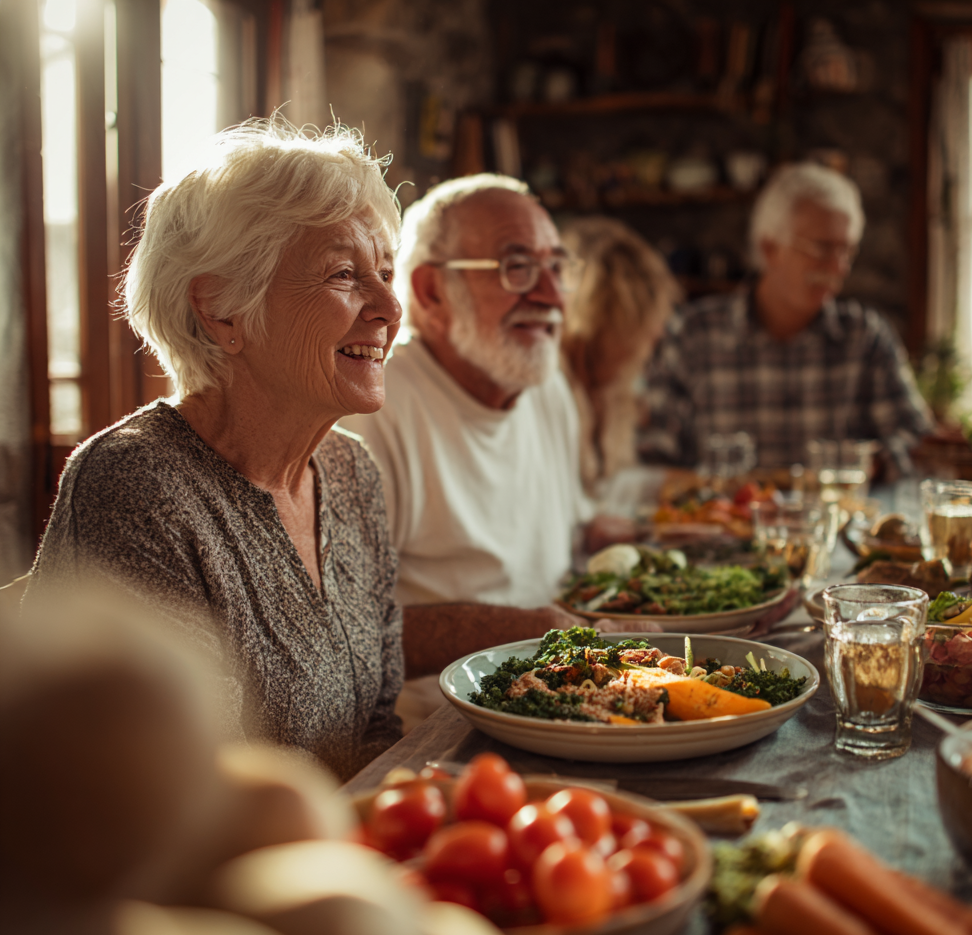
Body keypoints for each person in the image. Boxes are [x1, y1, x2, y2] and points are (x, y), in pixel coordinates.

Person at [25, 119, 404, 781]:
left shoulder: (349, 470)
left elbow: (377, 723)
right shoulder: (136, 484)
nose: (388, 306)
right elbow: (180, 790)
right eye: (346, 274)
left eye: (387, 272)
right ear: (223, 310)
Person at [343, 175, 641, 709]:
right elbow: (343, 635)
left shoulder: (546, 383)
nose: (552, 296)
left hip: (564, 696)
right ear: (432, 291)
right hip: (443, 729)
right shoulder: (373, 407)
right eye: (518, 267)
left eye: (556, 267)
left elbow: (566, 537)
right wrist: (532, 629)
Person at [638, 162, 933, 475]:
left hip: (836, 520)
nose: (839, 268)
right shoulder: (692, 334)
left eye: (846, 252)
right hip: (723, 520)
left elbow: (917, 441)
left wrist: (869, 461)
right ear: (769, 249)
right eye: (822, 249)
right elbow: (654, 453)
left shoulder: (865, 336)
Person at [560, 216, 678, 494]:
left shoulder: (620, 393)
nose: (656, 335)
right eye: (639, 320)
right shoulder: (546, 390)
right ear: (596, 319)